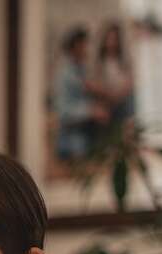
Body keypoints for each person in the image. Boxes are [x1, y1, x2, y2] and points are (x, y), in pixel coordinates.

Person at [52, 27, 108, 161]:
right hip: (72, 142)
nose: (87, 49)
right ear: (75, 47)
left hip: (87, 137)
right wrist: (91, 112)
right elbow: (63, 112)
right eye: (84, 45)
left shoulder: (82, 71)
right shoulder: (65, 75)